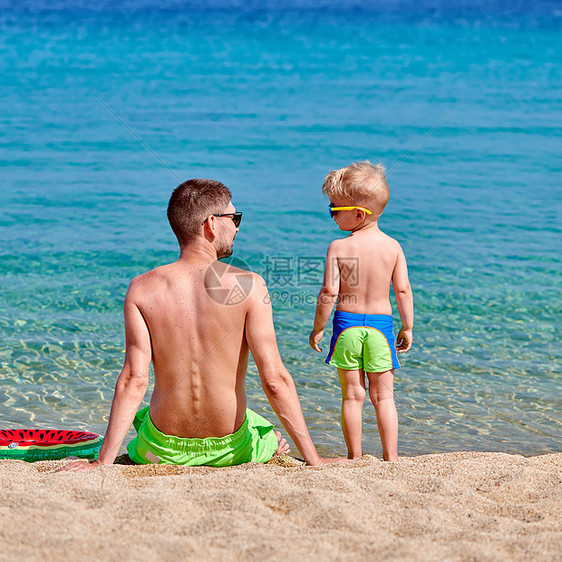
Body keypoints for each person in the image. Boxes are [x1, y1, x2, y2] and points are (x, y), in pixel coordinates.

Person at [63, 178, 346, 470]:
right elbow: (274, 380)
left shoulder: (141, 289)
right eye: (235, 218)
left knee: (146, 417)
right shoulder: (250, 286)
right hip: (230, 450)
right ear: (212, 224)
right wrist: (316, 460)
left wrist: (102, 462)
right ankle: (271, 444)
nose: (237, 227)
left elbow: (134, 379)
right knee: (264, 431)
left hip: (162, 450)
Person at [309, 162, 414, 462]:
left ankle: (355, 456)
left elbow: (328, 293)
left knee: (353, 396)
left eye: (334, 210)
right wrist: (407, 327)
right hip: (381, 329)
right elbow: (403, 291)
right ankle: (390, 457)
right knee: (384, 397)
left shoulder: (339, 247)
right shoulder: (393, 247)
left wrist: (318, 328)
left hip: (347, 328)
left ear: (358, 213)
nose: (331, 214)